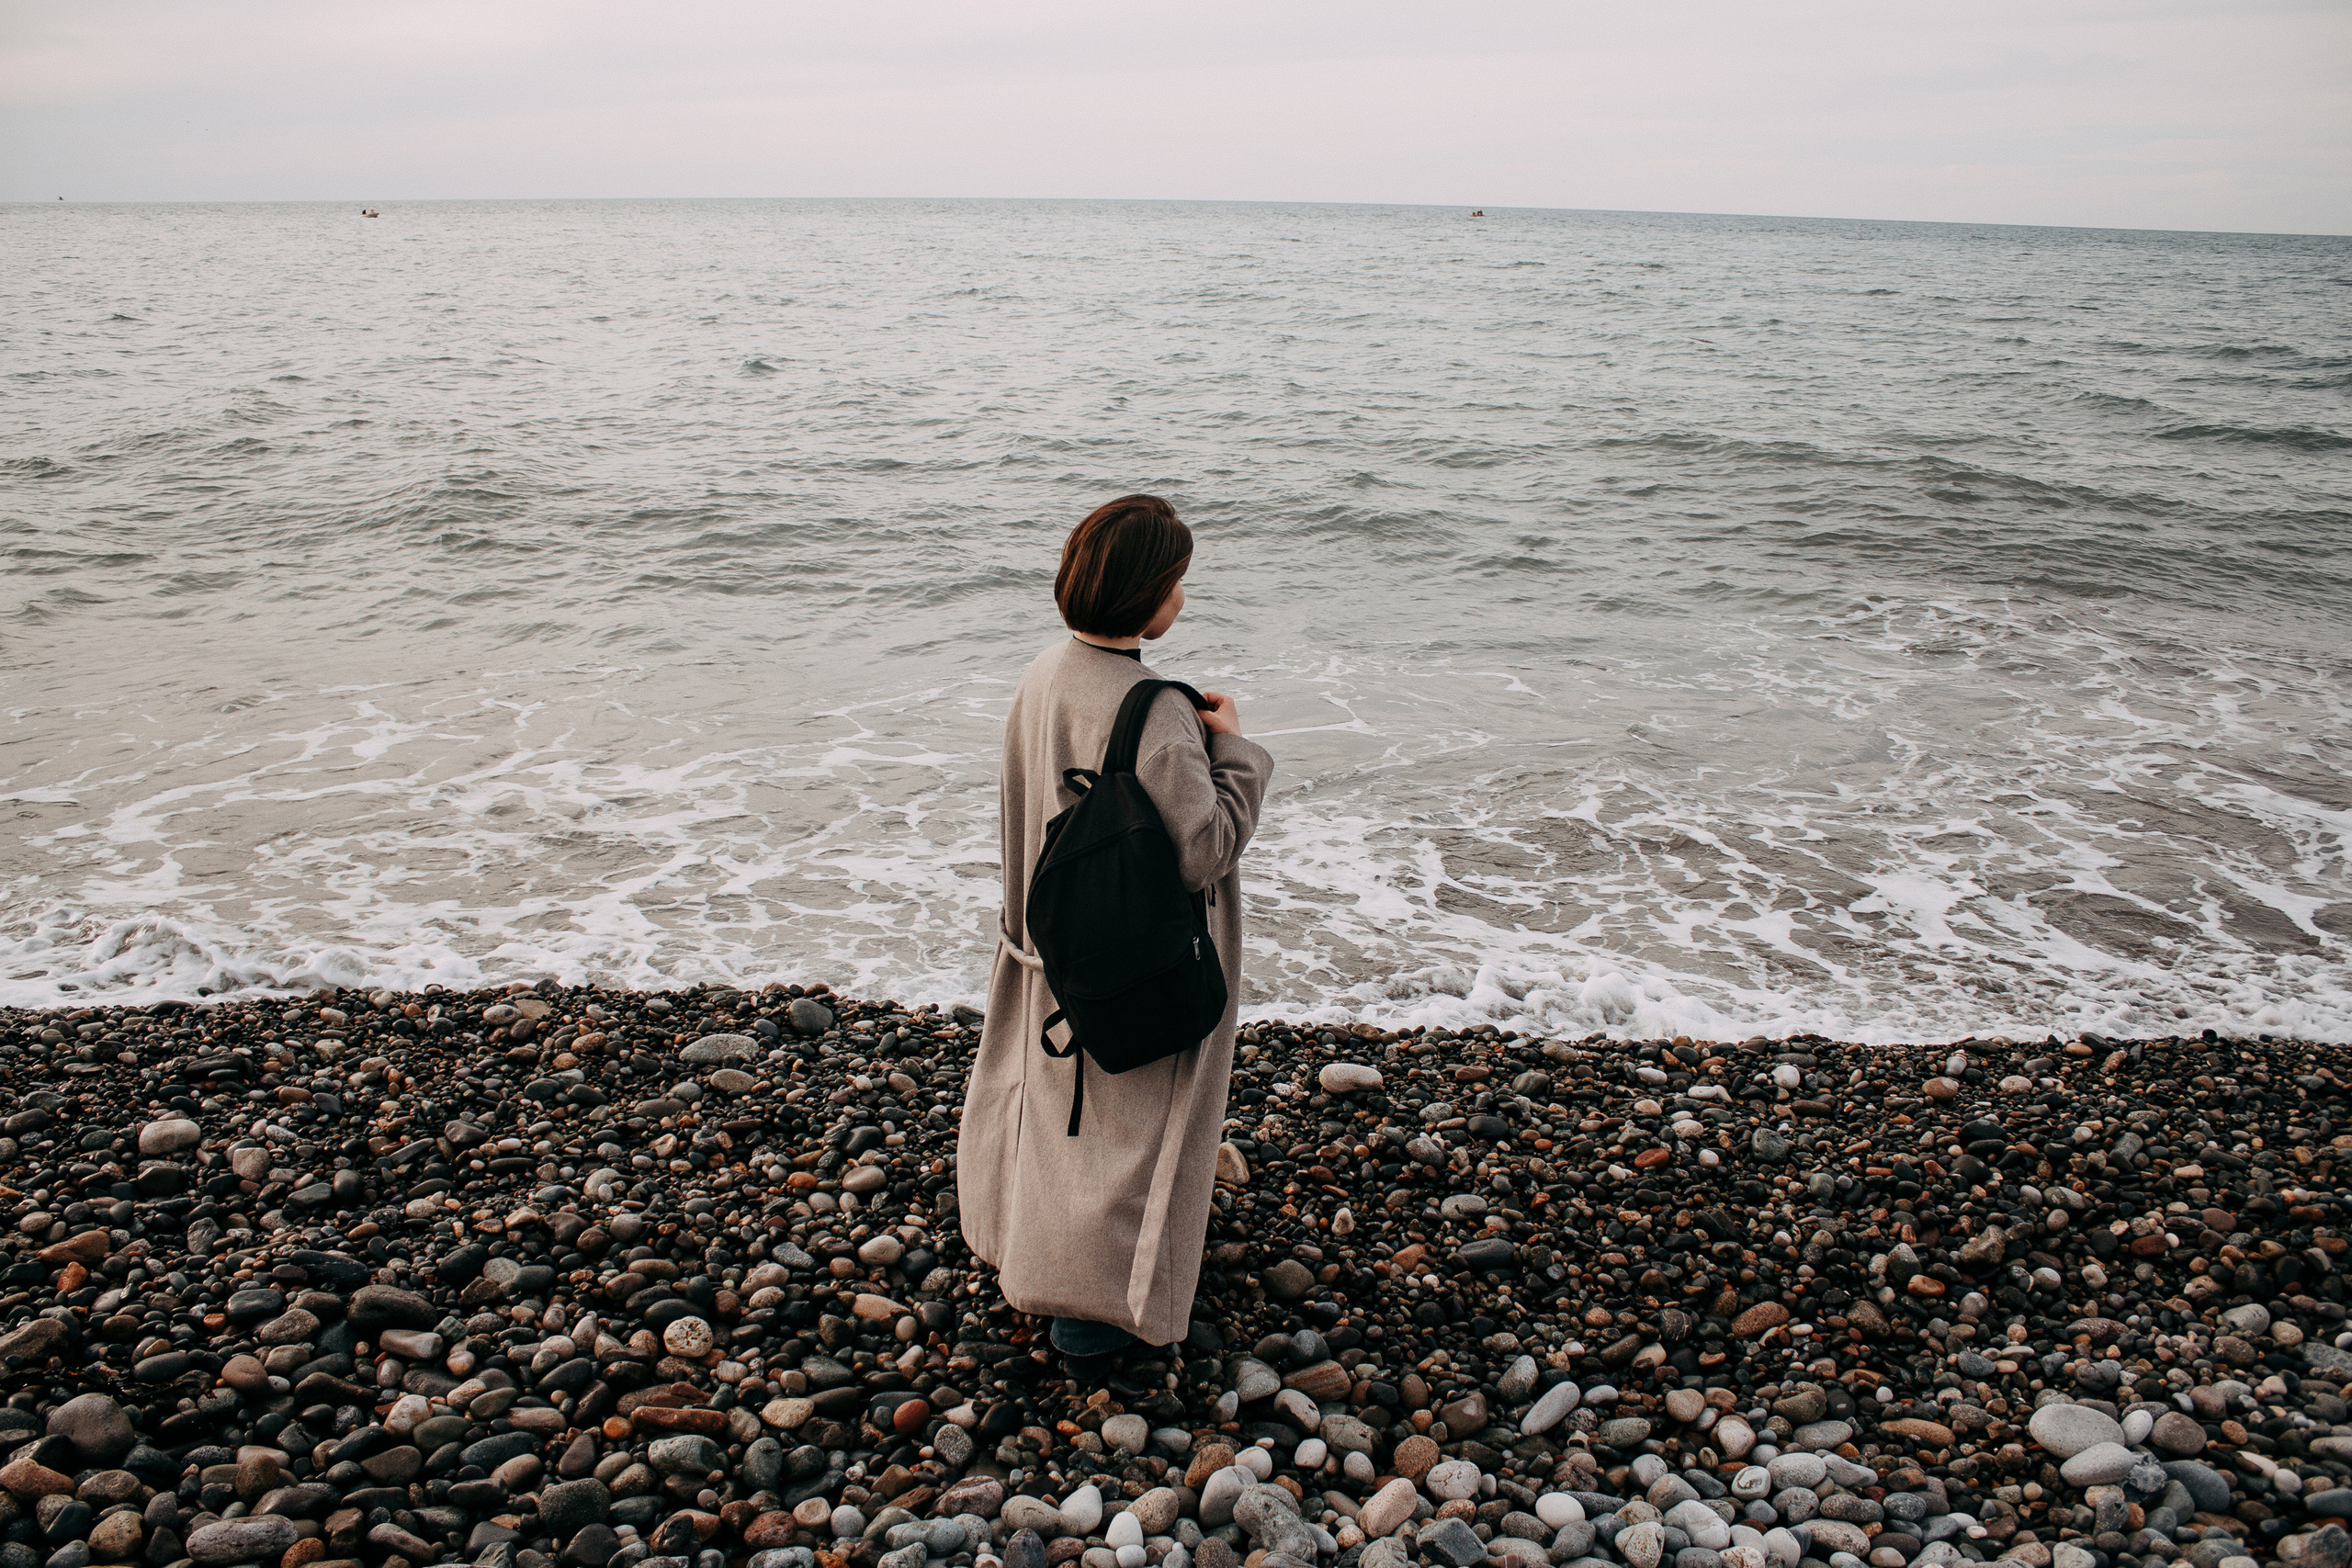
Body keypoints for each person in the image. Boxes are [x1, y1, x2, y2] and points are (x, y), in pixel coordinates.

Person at [956, 494, 1273, 1387]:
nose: (1182, 596)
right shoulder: (1157, 710)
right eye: (1176, 582)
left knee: (1056, 1112)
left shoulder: (1043, 673)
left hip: (1046, 941)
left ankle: (1029, 1260)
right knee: (1127, 1129)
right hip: (1135, 951)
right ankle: (1096, 1324)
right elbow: (1201, 850)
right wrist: (1236, 755)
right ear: (1149, 596)